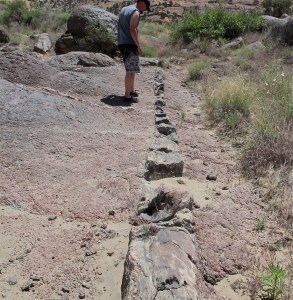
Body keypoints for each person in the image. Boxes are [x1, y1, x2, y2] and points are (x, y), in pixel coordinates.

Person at [118, 0, 151, 102]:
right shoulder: (135, 12)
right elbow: (133, 29)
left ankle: (131, 90)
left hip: (122, 42)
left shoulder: (124, 9)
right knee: (130, 71)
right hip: (130, 44)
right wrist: (138, 46)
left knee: (132, 69)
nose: (145, 10)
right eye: (146, 7)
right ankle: (127, 96)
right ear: (142, 2)